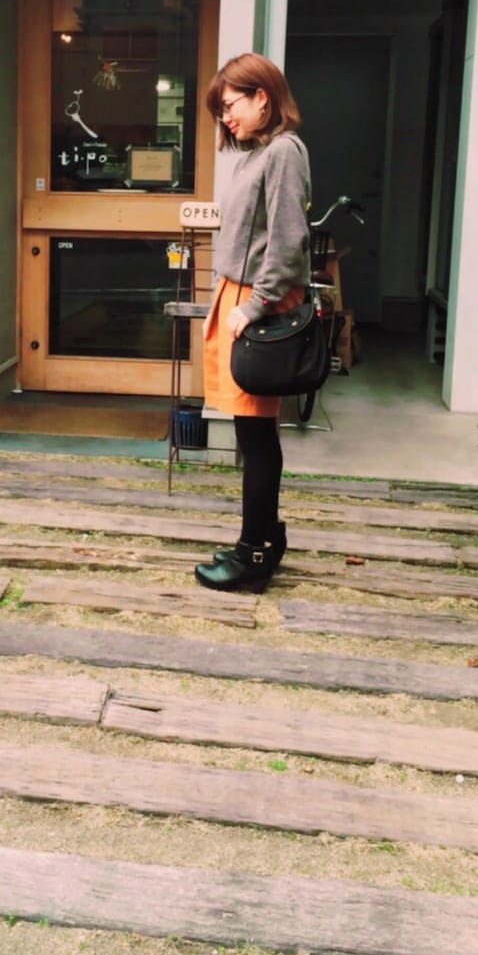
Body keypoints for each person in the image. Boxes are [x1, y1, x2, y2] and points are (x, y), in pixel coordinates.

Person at [195, 52, 311, 593]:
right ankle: (265, 538)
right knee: (253, 431)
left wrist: (254, 304)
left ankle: (254, 553)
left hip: (256, 306)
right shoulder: (257, 153)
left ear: (262, 97)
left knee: (256, 434)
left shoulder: (284, 151)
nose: (226, 118)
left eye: (230, 105)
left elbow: (288, 241)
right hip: (238, 298)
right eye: (221, 110)